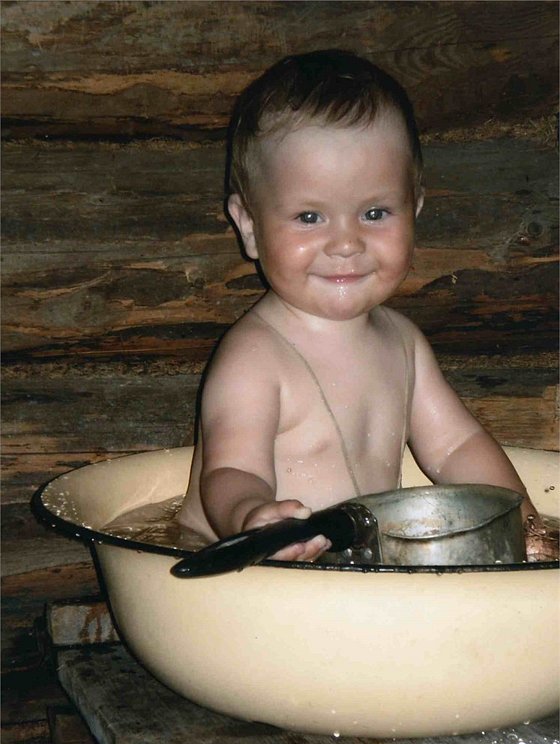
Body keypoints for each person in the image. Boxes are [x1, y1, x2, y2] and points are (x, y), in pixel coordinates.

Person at [177, 49, 545, 561]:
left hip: (349, 566)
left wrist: (524, 524)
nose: (346, 243)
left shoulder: (403, 343)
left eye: (375, 212)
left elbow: (456, 447)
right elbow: (231, 470)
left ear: (414, 208)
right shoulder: (255, 357)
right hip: (240, 567)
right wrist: (252, 516)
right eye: (309, 217)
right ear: (250, 226)